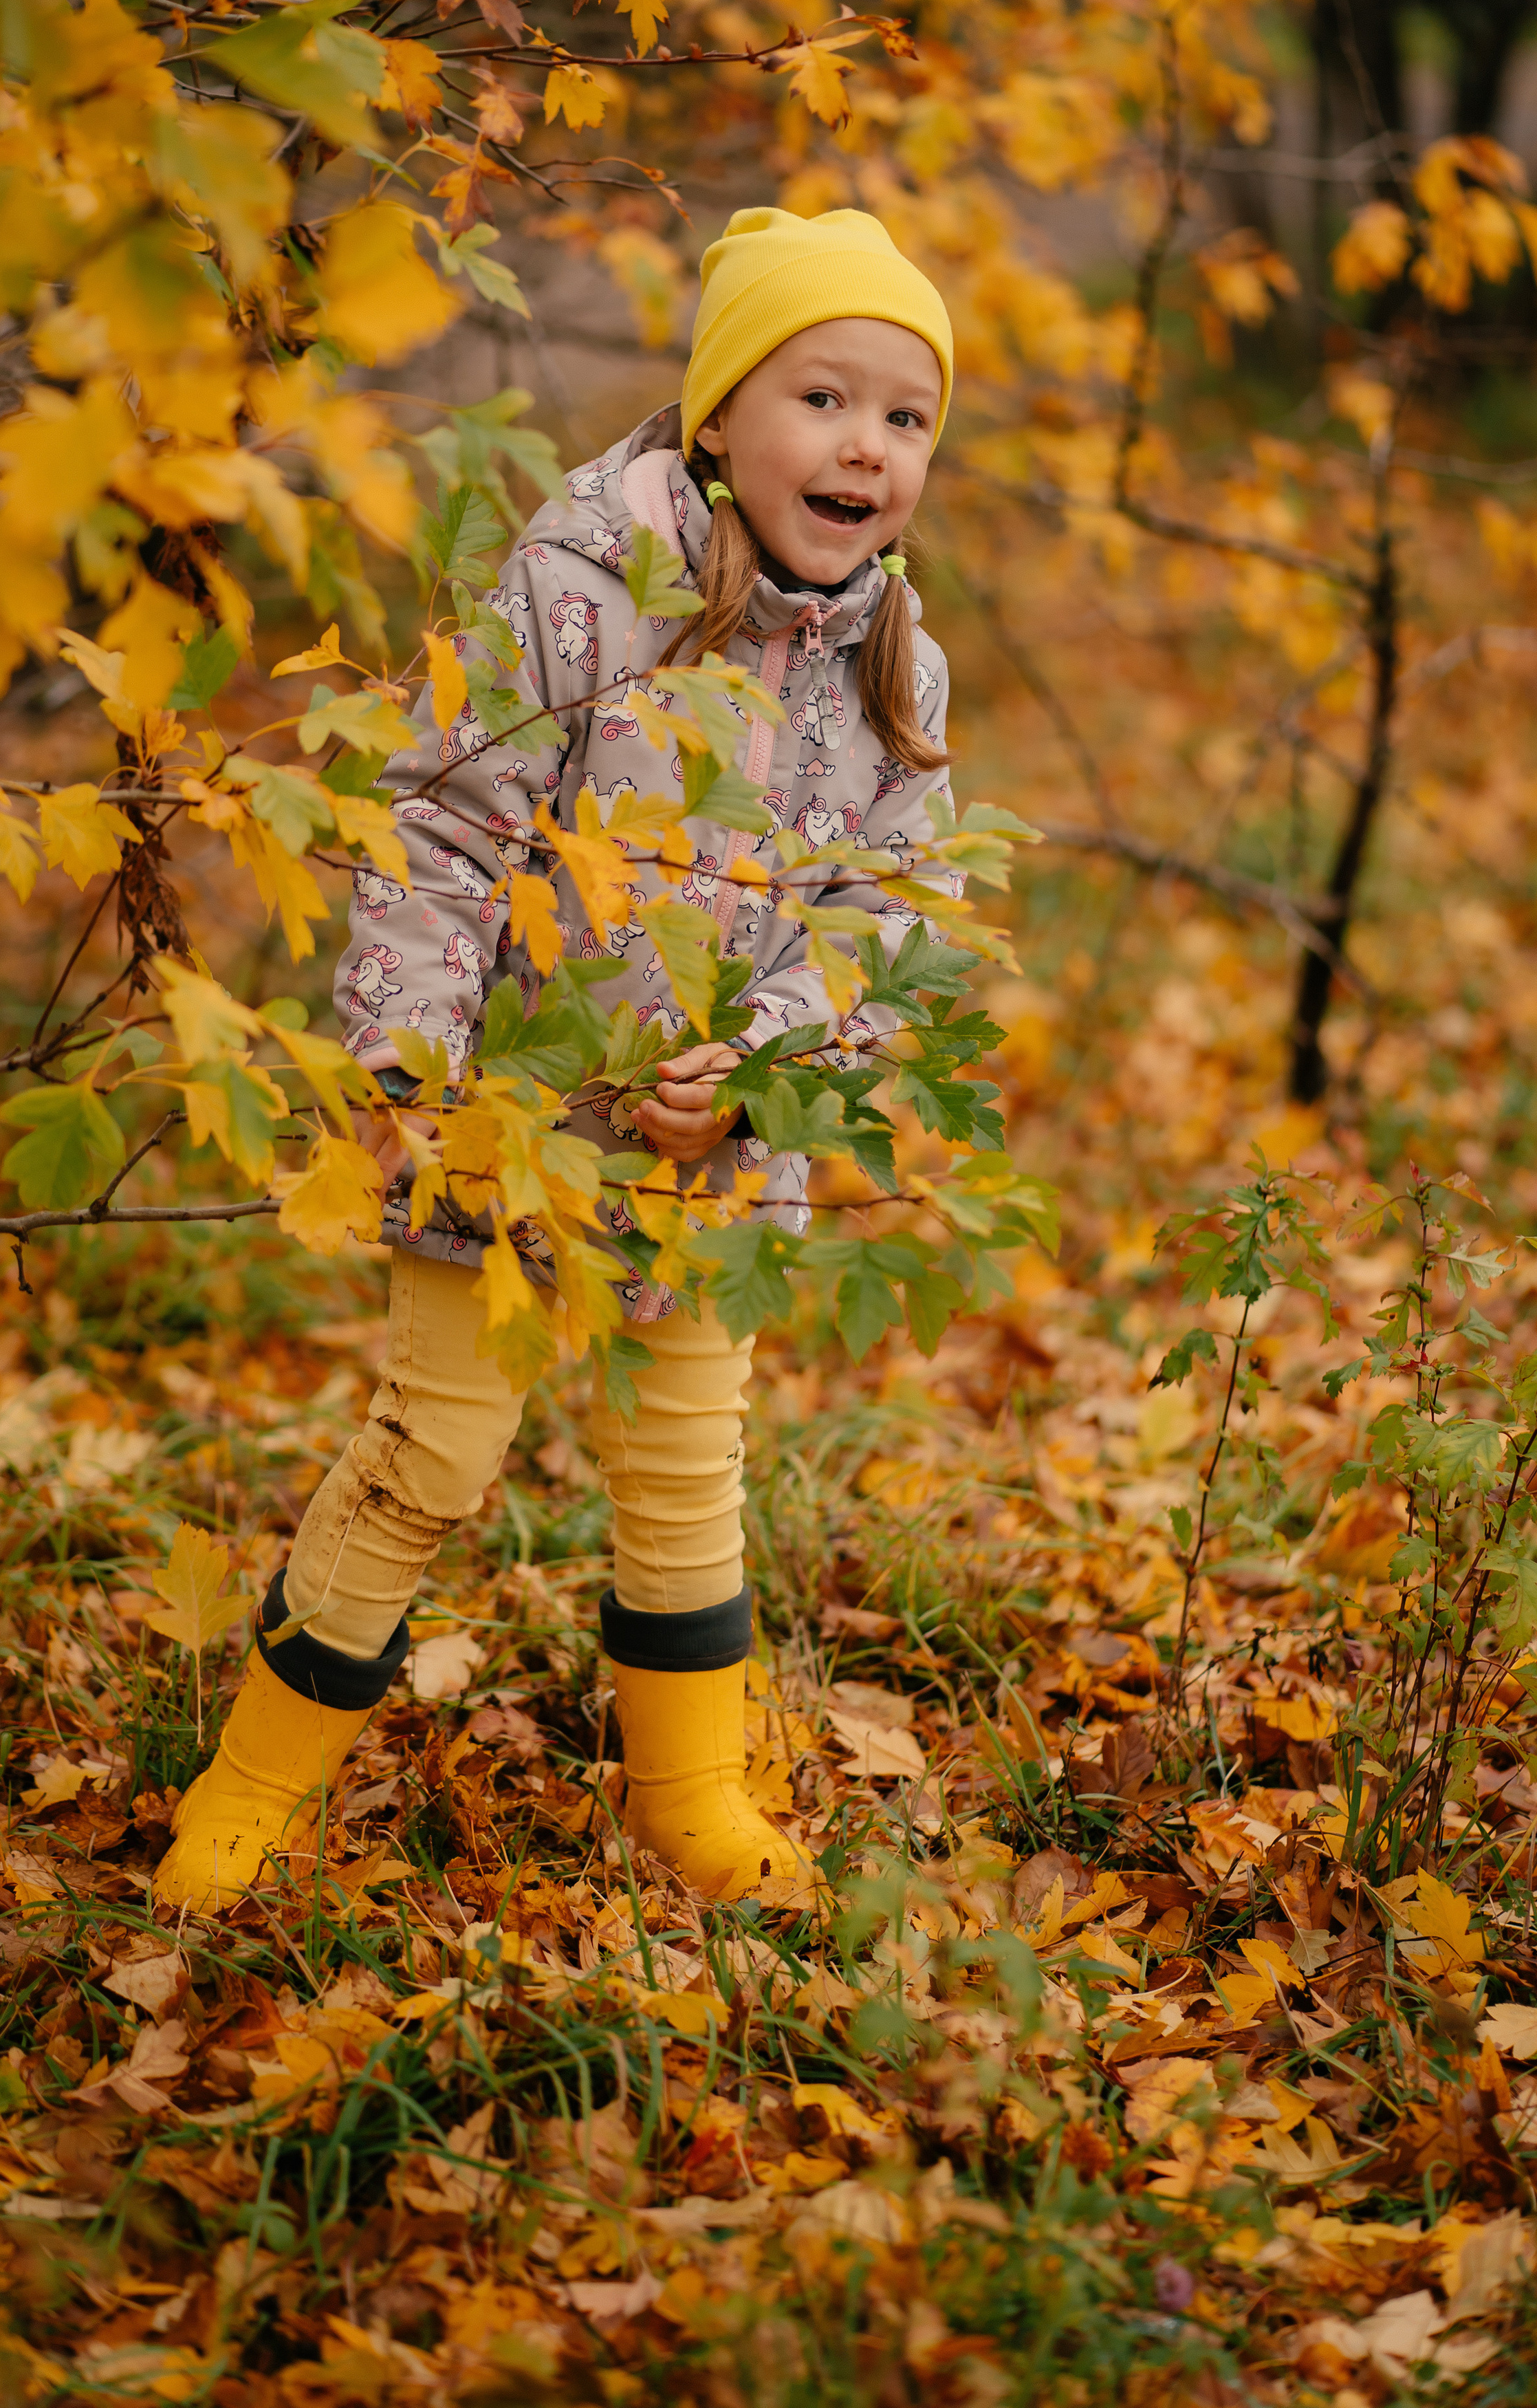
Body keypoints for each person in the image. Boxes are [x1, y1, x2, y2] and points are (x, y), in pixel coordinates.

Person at [155, 207, 960, 1915]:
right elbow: (446, 825)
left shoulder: (898, 663)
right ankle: (247, 1793)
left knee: (685, 1460)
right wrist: (407, 1070)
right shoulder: (576, 591)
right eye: (824, 396)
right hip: (506, 1123)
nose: (865, 448)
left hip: (704, 1159)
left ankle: (689, 1794)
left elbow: (897, 913)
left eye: (905, 418)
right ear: (719, 416)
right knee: (432, 1451)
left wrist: (758, 1065)